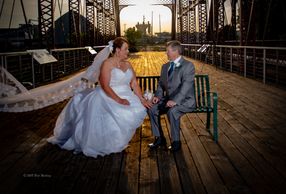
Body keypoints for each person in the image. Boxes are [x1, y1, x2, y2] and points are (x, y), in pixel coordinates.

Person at [47, 37, 152, 158]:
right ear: (117, 50)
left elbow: (134, 83)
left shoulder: (128, 64)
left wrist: (142, 99)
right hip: (109, 94)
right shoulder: (107, 64)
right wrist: (118, 100)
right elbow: (104, 85)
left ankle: (117, 141)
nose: (128, 51)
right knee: (113, 112)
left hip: (126, 93)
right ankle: (106, 143)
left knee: (138, 109)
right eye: (126, 49)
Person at [147, 40, 196, 152]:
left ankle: (176, 142)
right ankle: (159, 138)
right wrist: (157, 96)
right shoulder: (165, 66)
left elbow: (186, 87)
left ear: (176, 51)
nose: (166, 53)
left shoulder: (188, 66)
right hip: (169, 99)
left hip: (185, 101)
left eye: (167, 51)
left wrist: (175, 101)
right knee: (152, 108)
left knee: (172, 112)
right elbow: (160, 84)